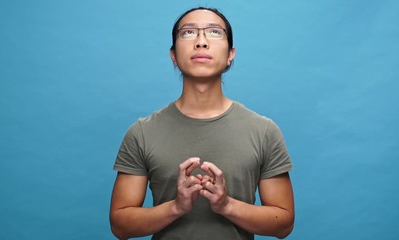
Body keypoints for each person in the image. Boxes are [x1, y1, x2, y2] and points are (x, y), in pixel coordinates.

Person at [110, 6, 294, 240]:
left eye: (215, 32)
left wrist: (226, 205)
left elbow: (284, 224)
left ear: (231, 54)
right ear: (173, 55)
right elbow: (120, 225)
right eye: (188, 33)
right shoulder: (142, 132)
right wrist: (176, 207)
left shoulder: (264, 131)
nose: (201, 42)